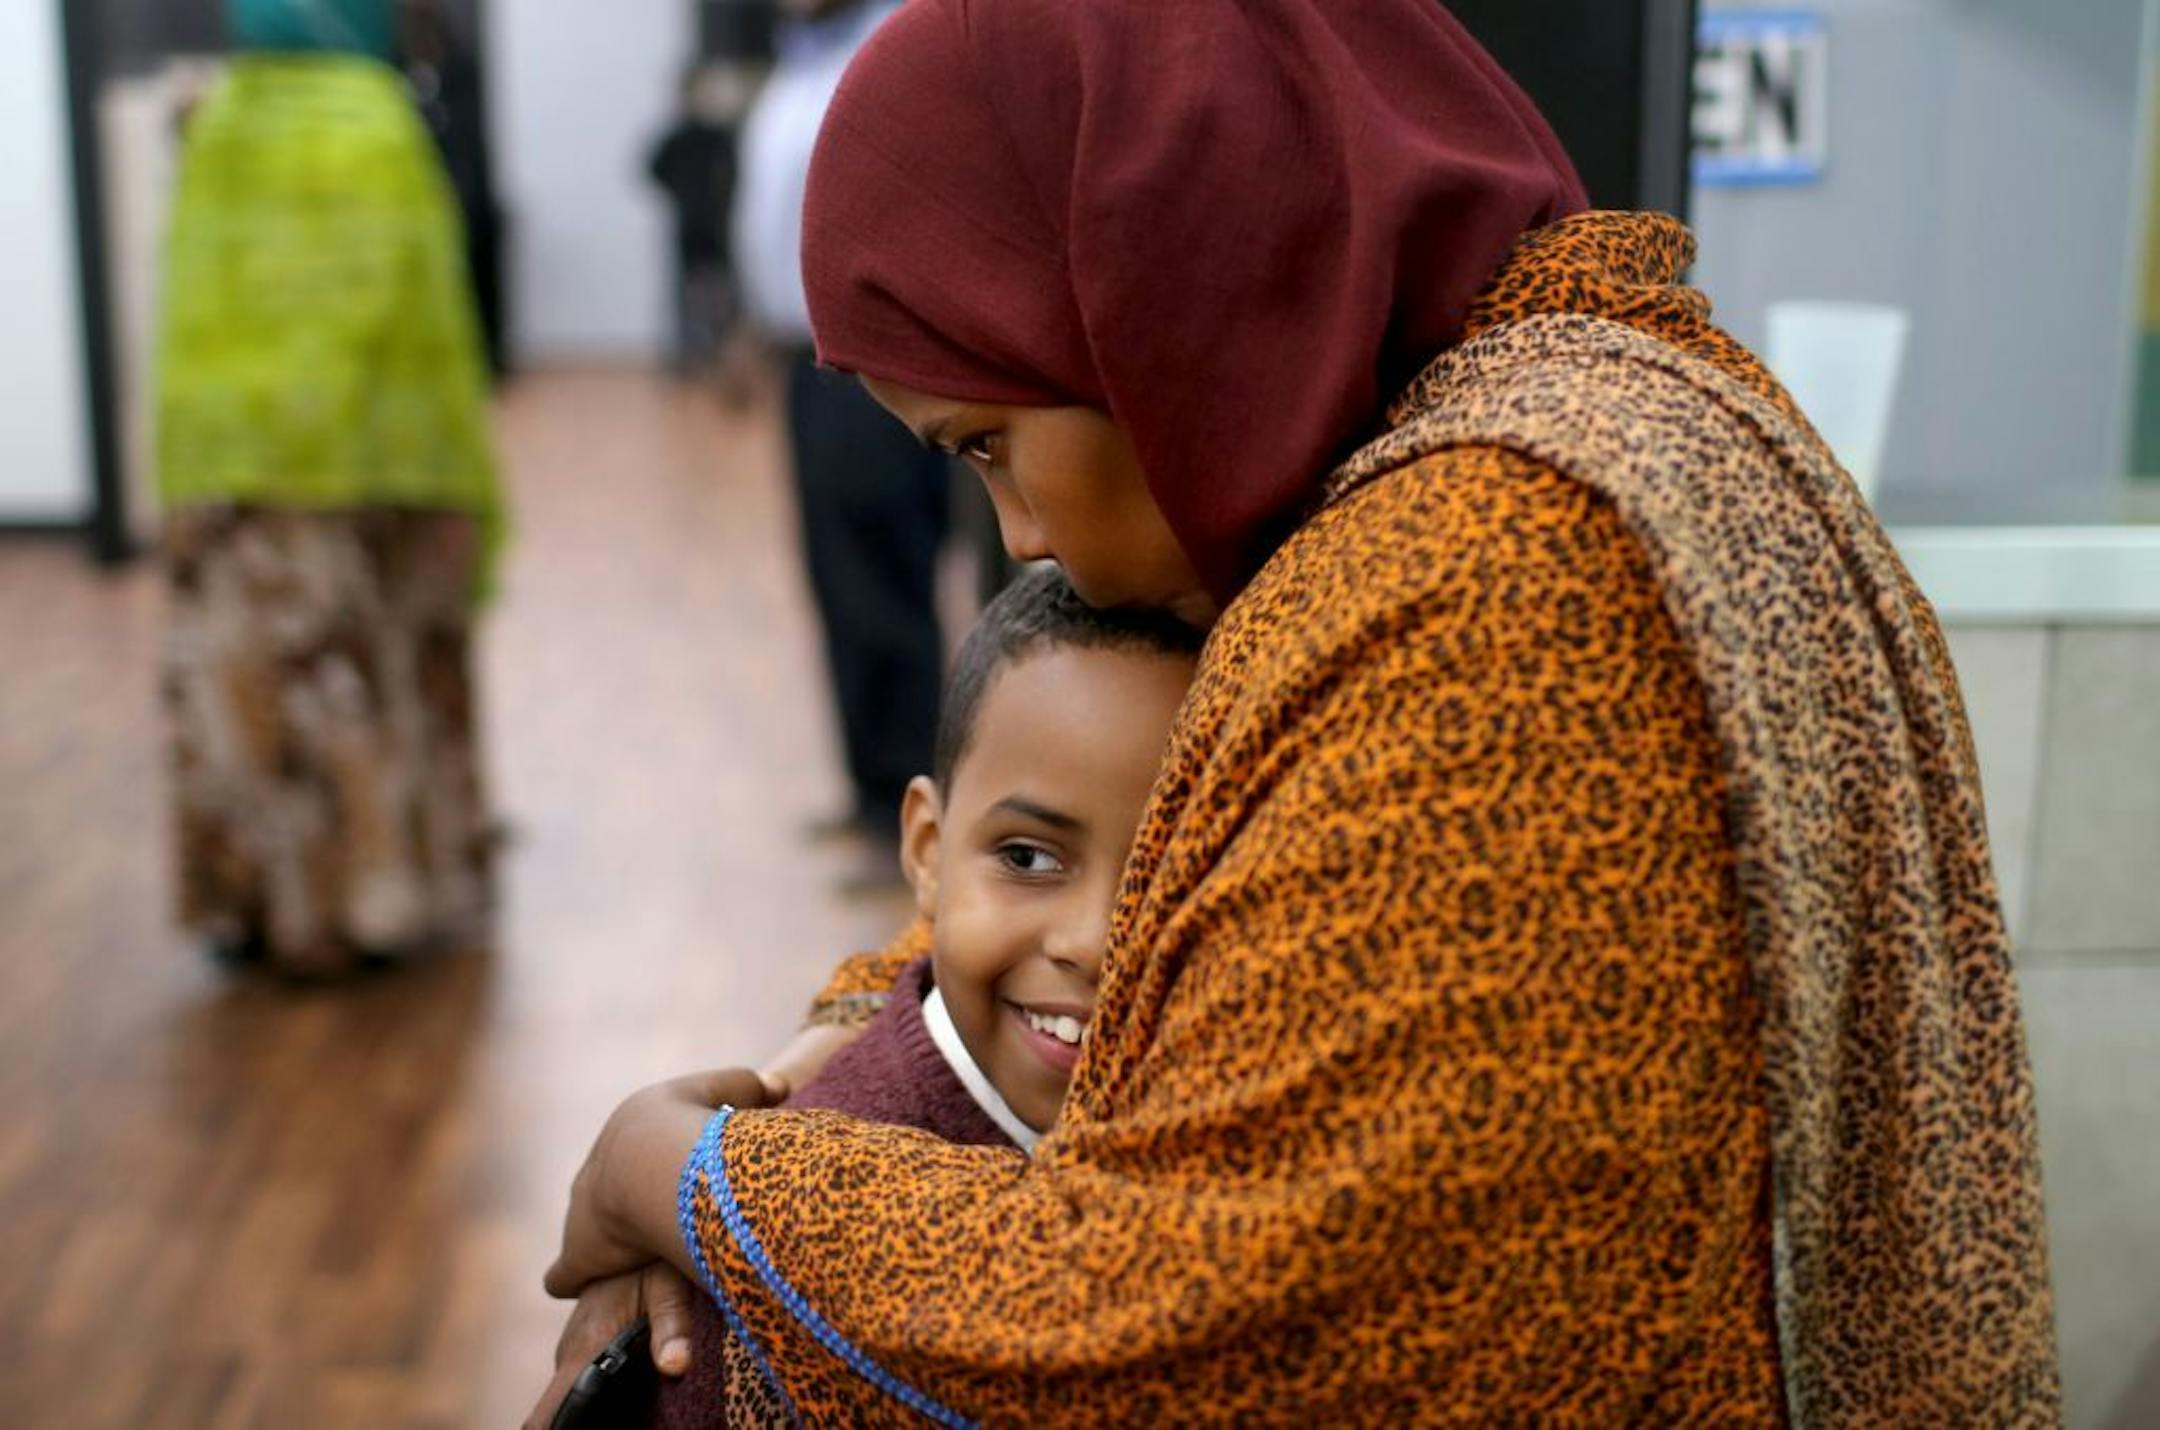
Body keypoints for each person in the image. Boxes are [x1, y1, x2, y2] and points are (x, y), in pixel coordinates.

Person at [538, 1, 2061, 1423]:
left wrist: (696, 1176)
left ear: (1151, 284)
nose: (1013, 538)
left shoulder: (1487, 580)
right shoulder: (1598, 413)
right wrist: (862, 1025)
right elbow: (1206, 906)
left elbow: (1191, 1320)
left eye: (992, 441)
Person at [630, 564, 1198, 1426]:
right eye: (1027, 858)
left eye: (1171, 876)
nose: (1094, 943)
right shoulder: (780, 1266)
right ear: (928, 852)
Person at [159, 0, 505, 977]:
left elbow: (185, 312)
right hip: (370, 465)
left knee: (253, 696)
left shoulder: (221, 120)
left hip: (234, 475)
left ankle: (263, 910)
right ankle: (375, 902)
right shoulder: (375, 121)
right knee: (359, 683)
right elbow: (429, 321)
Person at [732, 0, 952, 889]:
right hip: (805, 358)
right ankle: (872, 787)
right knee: (836, 574)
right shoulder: (801, 59)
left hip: (874, 361)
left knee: (881, 576)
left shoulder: (897, 44)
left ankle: (910, 804)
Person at [647, 67, 745, 379]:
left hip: (718, 231)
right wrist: (682, 196)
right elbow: (652, 169)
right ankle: (692, 359)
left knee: (721, 298)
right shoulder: (677, 138)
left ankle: (720, 358)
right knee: (689, 298)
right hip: (690, 231)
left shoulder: (721, 137)